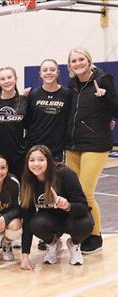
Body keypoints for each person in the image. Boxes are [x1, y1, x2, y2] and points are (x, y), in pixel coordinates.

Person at [64, 48, 118, 254]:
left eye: (81, 59)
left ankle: (95, 236)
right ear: (69, 66)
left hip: (95, 144)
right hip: (72, 145)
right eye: (73, 61)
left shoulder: (103, 80)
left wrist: (104, 98)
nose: (78, 63)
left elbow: (116, 110)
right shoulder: (71, 85)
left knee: (86, 192)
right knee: (73, 193)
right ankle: (80, 232)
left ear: (89, 60)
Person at [20, 145, 94, 270]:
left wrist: (68, 206)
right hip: (51, 220)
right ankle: (52, 244)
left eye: (41, 160)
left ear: (48, 160)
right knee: (35, 223)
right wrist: (25, 256)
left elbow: (83, 207)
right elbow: (27, 217)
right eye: (32, 160)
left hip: (72, 218)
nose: (36, 164)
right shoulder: (28, 180)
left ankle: (74, 245)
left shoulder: (65, 174)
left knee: (86, 223)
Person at [25, 59, 71, 162]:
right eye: (45, 70)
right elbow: (27, 121)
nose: (49, 72)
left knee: (54, 178)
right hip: (34, 147)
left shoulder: (67, 94)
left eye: (52, 69)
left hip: (56, 150)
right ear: (40, 74)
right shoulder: (33, 95)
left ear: (57, 72)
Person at [0, 67, 27, 179]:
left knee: (18, 186)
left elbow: (30, 125)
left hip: (18, 153)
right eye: (3, 78)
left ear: (15, 79)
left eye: (9, 77)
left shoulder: (24, 101)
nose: (7, 81)